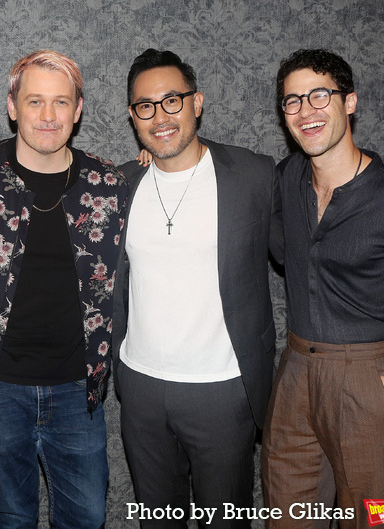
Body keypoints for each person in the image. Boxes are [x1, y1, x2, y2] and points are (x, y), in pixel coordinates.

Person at [0, 50, 127, 528]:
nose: (48, 116)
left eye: (61, 102)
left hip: (77, 388)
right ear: (12, 106)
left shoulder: (108, 182)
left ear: (79, 109)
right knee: (12, 514)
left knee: (86, 516)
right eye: (35, 102)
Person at [111, 48, 278, 529]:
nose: (160, 116)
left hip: (223, 392)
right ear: (132, 115)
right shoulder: (121, 184)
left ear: (197, 102)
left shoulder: (254, 175)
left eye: (172, 101)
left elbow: (311, 253)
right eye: (145, 106)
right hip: (140, 389)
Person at [261, 48, 384, 529]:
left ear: (350, 102)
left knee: (380, 519)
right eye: (292, 101)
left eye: (319, 95)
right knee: (286, 517)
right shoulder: (286, 179)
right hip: (295, 376)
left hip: (372, 380)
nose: (306, 111)